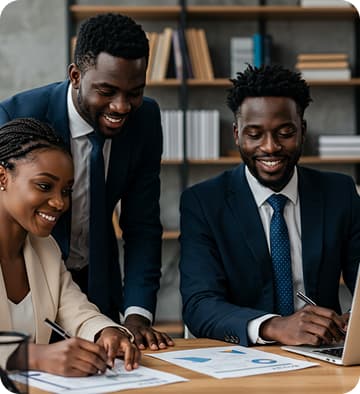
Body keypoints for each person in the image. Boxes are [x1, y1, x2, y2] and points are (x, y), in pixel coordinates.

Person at [0, 13, 173, 350]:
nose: (122, 106)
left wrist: (134, 316)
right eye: (107, 91)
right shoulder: (17, 116)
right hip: (25, 267)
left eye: (134, 92)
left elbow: (142, 224)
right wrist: (34, 357)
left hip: (93, 284)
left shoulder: (145, 120)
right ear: (76, 76)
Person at [179, 64, 360, 347]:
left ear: (302, 130)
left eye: (284, 132)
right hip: (242, 358)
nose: (270, 147)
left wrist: (354, 318)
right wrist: (274, 327)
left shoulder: (339, 192)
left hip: (323, 353)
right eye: (254, 134)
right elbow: (199, 304)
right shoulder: (203, 202)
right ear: (237, 134)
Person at [0, 118, 140, 376]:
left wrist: (106, 332)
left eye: (66, 191)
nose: (59, 203)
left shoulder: (45, 248)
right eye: (44, 186)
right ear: (2, 177)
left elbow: (75, 309)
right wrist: (34, 356)